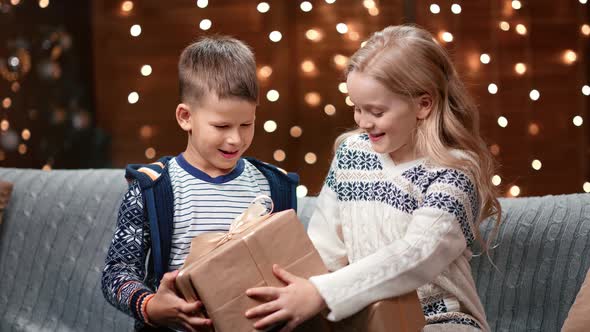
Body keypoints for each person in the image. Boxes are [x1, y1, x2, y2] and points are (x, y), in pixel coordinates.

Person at [245, 24, 500, 332]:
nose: (363, 122)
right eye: (356, 109)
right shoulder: (352, 153)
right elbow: (325, 246)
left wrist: (322, 292)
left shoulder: (454, 171)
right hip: (365, 318)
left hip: (440, 320)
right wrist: (299, 293)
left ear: (423, 104)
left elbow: (417, 254)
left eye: (376, 112)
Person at [101, 36, 298, 332]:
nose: (235, 139)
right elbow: (116, 272)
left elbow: (292, 268)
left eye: (247, 124)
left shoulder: (273, 186)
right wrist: (151, 306)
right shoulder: (153, 188)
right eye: (221, 126)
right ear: (185, 117)